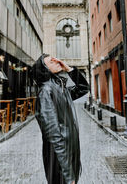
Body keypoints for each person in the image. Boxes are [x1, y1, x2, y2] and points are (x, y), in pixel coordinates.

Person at [32, 54, 89, 184]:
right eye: (51, 62)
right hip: (59, 159)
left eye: (54, 58)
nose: (56, 60)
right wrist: (68, 175)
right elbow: (53, 136)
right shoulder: (46, 91)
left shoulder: (59, 87)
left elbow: (83, 88)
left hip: (69, 153)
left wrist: (69, 69)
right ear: (45, 69)